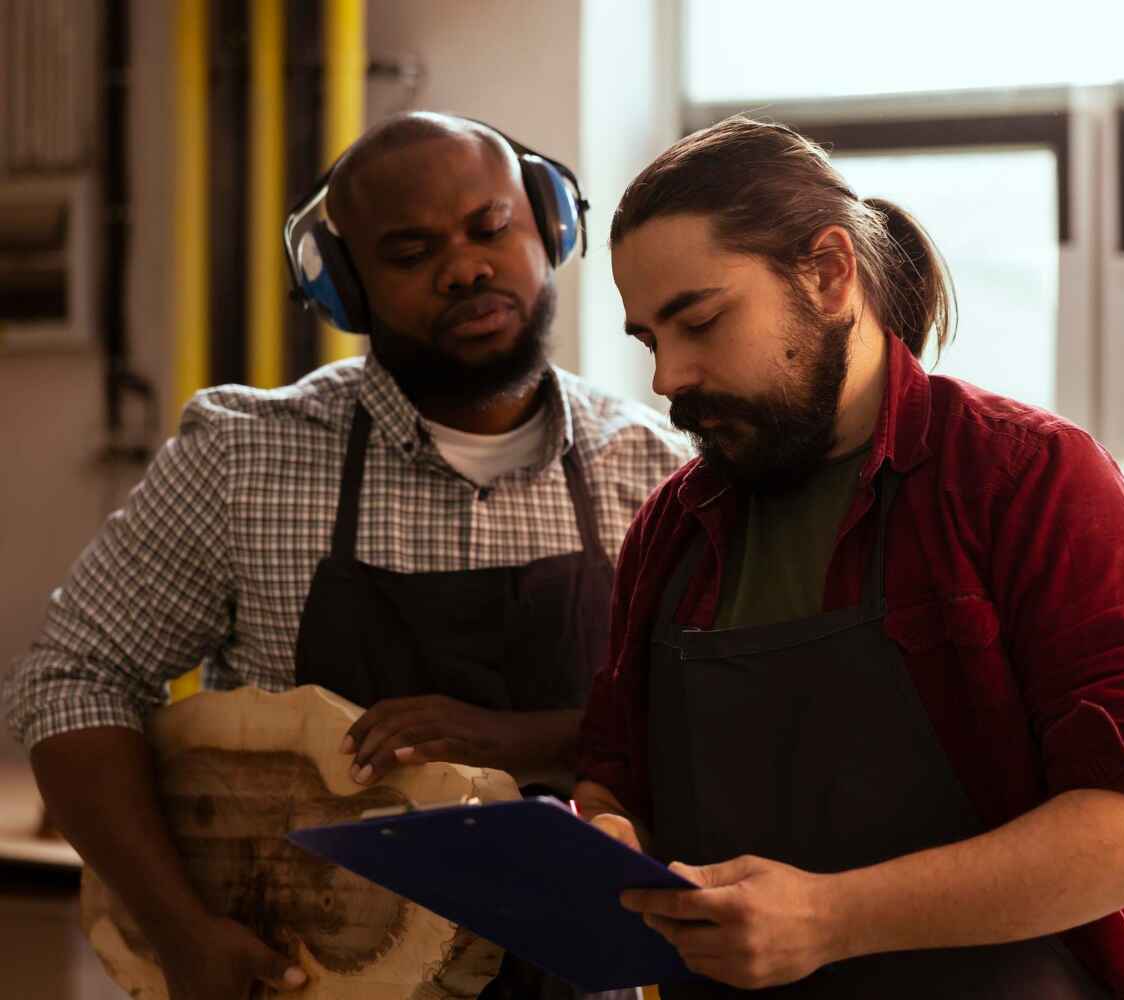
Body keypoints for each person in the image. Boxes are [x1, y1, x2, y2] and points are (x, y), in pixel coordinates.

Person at [6, 112, 688, 1000]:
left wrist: (522, 741)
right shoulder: (241, 458)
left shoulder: (657, 471)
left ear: (550, 225)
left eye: (491, 228)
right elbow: (70, 677)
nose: (468, 268)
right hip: (304, 978)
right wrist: (180, 930)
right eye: (411, 253)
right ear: (346, 291)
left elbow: (710, 725)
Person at [574, 116, 1124, 999]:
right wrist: (608, 831)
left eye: (701, 322)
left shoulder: (1027, 480)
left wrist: (832, 919)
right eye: (651, 340)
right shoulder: (671, 529)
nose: (668, 378)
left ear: (830, 274)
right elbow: (617, 775)